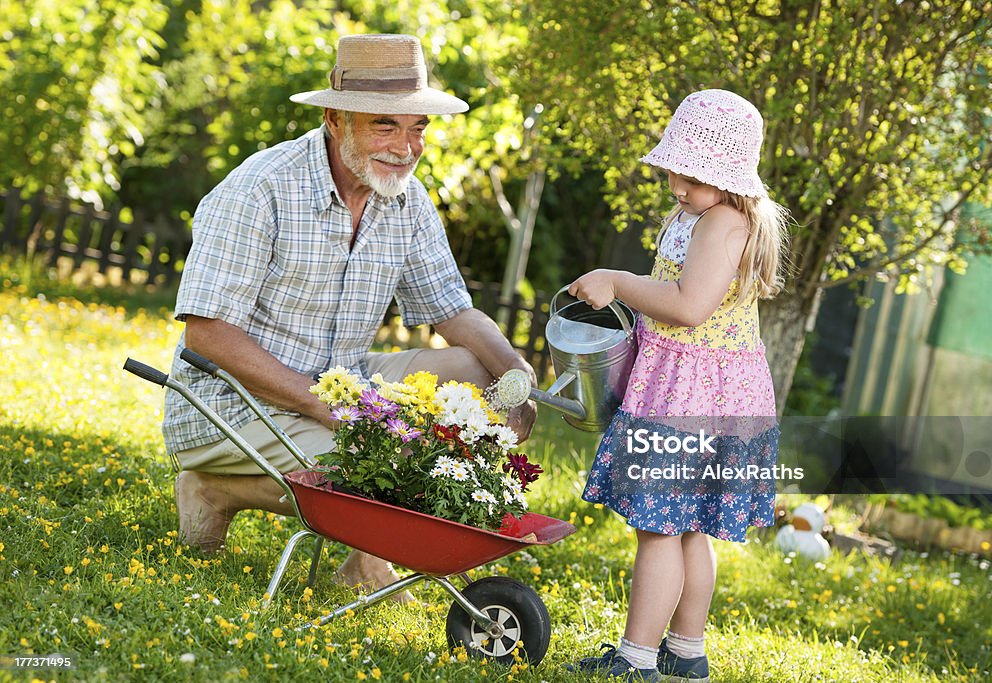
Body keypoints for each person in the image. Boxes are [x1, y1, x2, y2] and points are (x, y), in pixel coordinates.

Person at [161, 33, 537, 594]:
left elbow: (453, 309)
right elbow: (208, 335)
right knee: (392, 460)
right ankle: (214, 488)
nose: (406, 147)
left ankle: (360, 561)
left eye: (418, 128)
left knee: (474, 373)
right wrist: (329, 410)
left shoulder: (408, 199)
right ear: (336, 120)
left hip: (343, 388)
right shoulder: (259, 189)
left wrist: (516, 376)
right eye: (386, 125)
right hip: (230, 403)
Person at [565, 89, 790, 681]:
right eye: (678, 173)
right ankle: (686, 652)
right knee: (686, 526)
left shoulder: (725, 220)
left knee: (660, 526)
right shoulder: (700, 213)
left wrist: (616, 279)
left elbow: (689, 306)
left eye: (695, 176)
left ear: (731, 176)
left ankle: (635, 660)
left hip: (696, 394)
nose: (679, 187)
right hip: (696, 387)